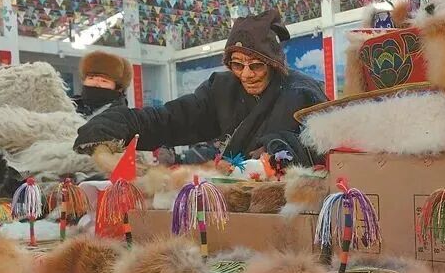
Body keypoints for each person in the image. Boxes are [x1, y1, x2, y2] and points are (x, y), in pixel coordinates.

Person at [73, 9, 328, 166]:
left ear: (273, 65)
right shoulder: (222, 89)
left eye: (256, 66)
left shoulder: (302, 92)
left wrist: (278, 148)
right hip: (234, 198)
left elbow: (325, 148)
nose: (246, 74)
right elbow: (171, 119)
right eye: (237, 65)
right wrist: (118, 124)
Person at [73, 51, 131, 117]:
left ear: (118, 88)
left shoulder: (125, 118)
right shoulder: (69, 106)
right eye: (91, 78)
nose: (95, 83)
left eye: (104, 81)